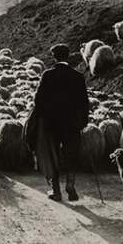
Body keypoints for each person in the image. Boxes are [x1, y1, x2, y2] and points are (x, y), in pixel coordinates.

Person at [34, 43, 89, 201]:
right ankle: (71, 184)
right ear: (68, 56)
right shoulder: (78, 76)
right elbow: (84, 103)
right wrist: (82, 122)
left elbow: (38, 100)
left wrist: (44, 115)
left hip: (52, 124)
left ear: (54, 57)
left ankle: (56, 190)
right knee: (71, 154)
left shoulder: (48, 75)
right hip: (72, 124)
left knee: (53, 156)